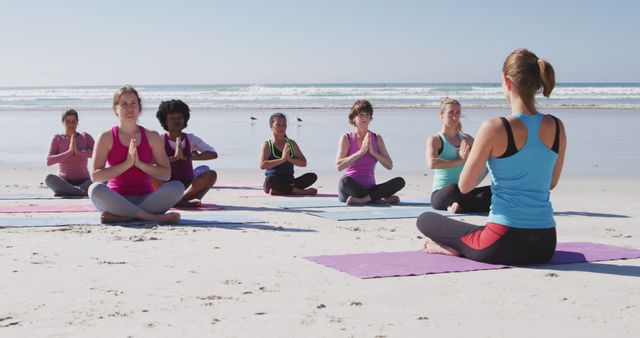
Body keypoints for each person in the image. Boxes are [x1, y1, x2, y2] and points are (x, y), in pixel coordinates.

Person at [416, 48, 566, 265]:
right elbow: (551, 182)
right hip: (545, 244)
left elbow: (465, 186)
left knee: (425, 219)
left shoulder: (495, 127)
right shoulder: (558, 127)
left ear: (507, 81)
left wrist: (482, 155)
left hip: (503, 243)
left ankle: (449, 249)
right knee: (476, 229)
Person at [88, 86, 184, 224]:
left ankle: (124, 216)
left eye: (133, 103)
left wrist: (140, 164)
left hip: (146, 199)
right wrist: (127, 164)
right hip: (115, 200)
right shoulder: (105, 137)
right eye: (124, 104)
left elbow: (166, 174)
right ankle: (151, 217)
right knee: (95, 189)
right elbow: (95, 176)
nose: (129, 108)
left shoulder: (152, 136)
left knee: (177, 187)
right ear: (115, 109)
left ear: (139, 107)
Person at [427, 98, 491, 213]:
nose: (455, 117)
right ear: (442, 115)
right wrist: (459, 161)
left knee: (495, 190)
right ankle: (463, 204)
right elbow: (432, 163)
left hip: (464, 192)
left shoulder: (466, 139)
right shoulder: (436, 139)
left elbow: (486, 153)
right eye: (451, 113)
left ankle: (460, 205)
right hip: (442, 194)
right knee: (454, 188)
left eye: (457, 113)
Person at [336, 100, 405, 205]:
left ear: (370, 118)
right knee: (344, 181)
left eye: (367, 115)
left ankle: (365, 199)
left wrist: (374, 153)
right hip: (351, 189)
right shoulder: (346, 138)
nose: (364, 118)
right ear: (353, 118)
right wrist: (361, 152)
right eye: (360, 115)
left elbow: (389, 165)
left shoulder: (377, 139)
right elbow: (339, 166)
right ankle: (377, 198)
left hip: (370, 187)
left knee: (400, 181)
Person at [154, 99, 218, 207]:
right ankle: (180, 201)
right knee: (147, 172)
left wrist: (190, 157)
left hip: (189, 185)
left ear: (185, 120)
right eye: (172, 118)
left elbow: (213, 154)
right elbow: (147, 160)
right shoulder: (160, 140)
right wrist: (171, 159)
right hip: (167, 185)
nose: (176, 121)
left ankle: (179, 201)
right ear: (165, 121)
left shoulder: (190, 138)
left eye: (179, 118)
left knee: (211, 174)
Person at [259, 113, 318, 195]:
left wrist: (289, 159)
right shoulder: (267, 145)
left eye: (284, 125)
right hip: (274, 182)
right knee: (270, 180)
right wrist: (282, 160)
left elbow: (304, 163)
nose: (281, 127)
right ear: (271, 126)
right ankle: (299, 191)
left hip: (290, 181)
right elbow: (262, 165)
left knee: (312, 176)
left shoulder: (292, 144)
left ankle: (281, 191)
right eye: (278, 125)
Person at [45, 109, 94, 196]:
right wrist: (68, 152)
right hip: (64, 182)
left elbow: (98, 154)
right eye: (67, 122)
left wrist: (78, 152)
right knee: (48, 178)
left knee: (101, 177)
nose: (71, 124)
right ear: (63, 122)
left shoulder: (85, 137)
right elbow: (49, 161)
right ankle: (80, 192)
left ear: (77, 122)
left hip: (85, 181)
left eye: (73, 121)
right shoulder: (57, 139)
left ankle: (69, 192)